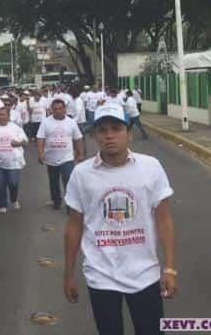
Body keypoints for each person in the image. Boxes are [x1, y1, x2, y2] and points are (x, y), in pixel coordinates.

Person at [63, 102, 177, 335]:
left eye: (116, 128)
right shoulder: (81, 174)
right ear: (95, 136)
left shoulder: (151, 167)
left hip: (145, 273)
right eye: (102, 130)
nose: (109, 136)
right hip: (101, 274)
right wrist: (68, 274)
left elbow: (164, 219)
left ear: (129, 134)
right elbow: (74, 225)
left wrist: (170, 268)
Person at [37, 100, 84, 210]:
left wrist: (80, 153)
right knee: (53, 182)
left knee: (68, 181)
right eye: (55, 109)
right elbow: (40, 138)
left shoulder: (71, 122)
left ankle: (70, 205)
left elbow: (78, 138)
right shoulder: (45, 122)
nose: (58, 111)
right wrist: (40, 153)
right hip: (51, 158)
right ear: (52, 110)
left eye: (60, 108)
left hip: (67, 158)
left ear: (64, 109)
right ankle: (56, 201)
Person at [0, 107, 28, 213]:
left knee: (13, 183)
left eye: (3, 114)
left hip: (13, 162)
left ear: (8, 116)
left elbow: (25, 141)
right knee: (0, 184)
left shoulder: (15, 127)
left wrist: (18, 143)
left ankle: (14, 199)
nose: (1, 117)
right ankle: (3, 204)